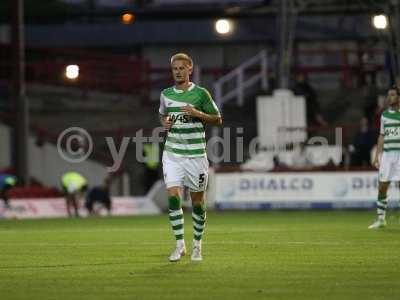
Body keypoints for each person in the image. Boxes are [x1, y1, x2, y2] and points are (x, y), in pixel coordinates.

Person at [159, 53, 222, 262]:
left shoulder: (201, 94)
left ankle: (197, 245)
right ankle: (179, 245)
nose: (177, 72)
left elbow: (217, 119)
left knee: (197, 202)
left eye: (181, 68)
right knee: (174, 197)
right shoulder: (166, 94)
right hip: (173, 154)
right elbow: (162, 114)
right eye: (174, 69)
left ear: (189, 69)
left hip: (196, 157)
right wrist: (164, 122)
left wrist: (197, 113)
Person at [369, 86, 400, 229]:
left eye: (393, 95)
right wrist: (377, 156)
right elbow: (382, 136)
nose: (389, 98)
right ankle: (381, 219)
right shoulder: (385, 115)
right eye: (389, 95)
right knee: (382, 187)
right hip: (387, 155)